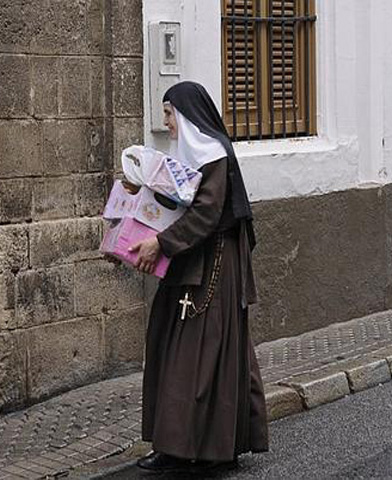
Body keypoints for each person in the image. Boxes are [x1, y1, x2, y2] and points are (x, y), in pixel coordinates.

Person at [129, 81, 269, 474]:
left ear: (188, 115)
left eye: (169, 114)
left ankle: (211, 448)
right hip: (189, 261)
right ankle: (174, 444)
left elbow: (206, 214)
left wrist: (161, 243)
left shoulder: (214, 156)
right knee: (174, 348)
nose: (166, 123)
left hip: (215, 265)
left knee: (204, 353)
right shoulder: (189, 157)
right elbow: (176, 205)